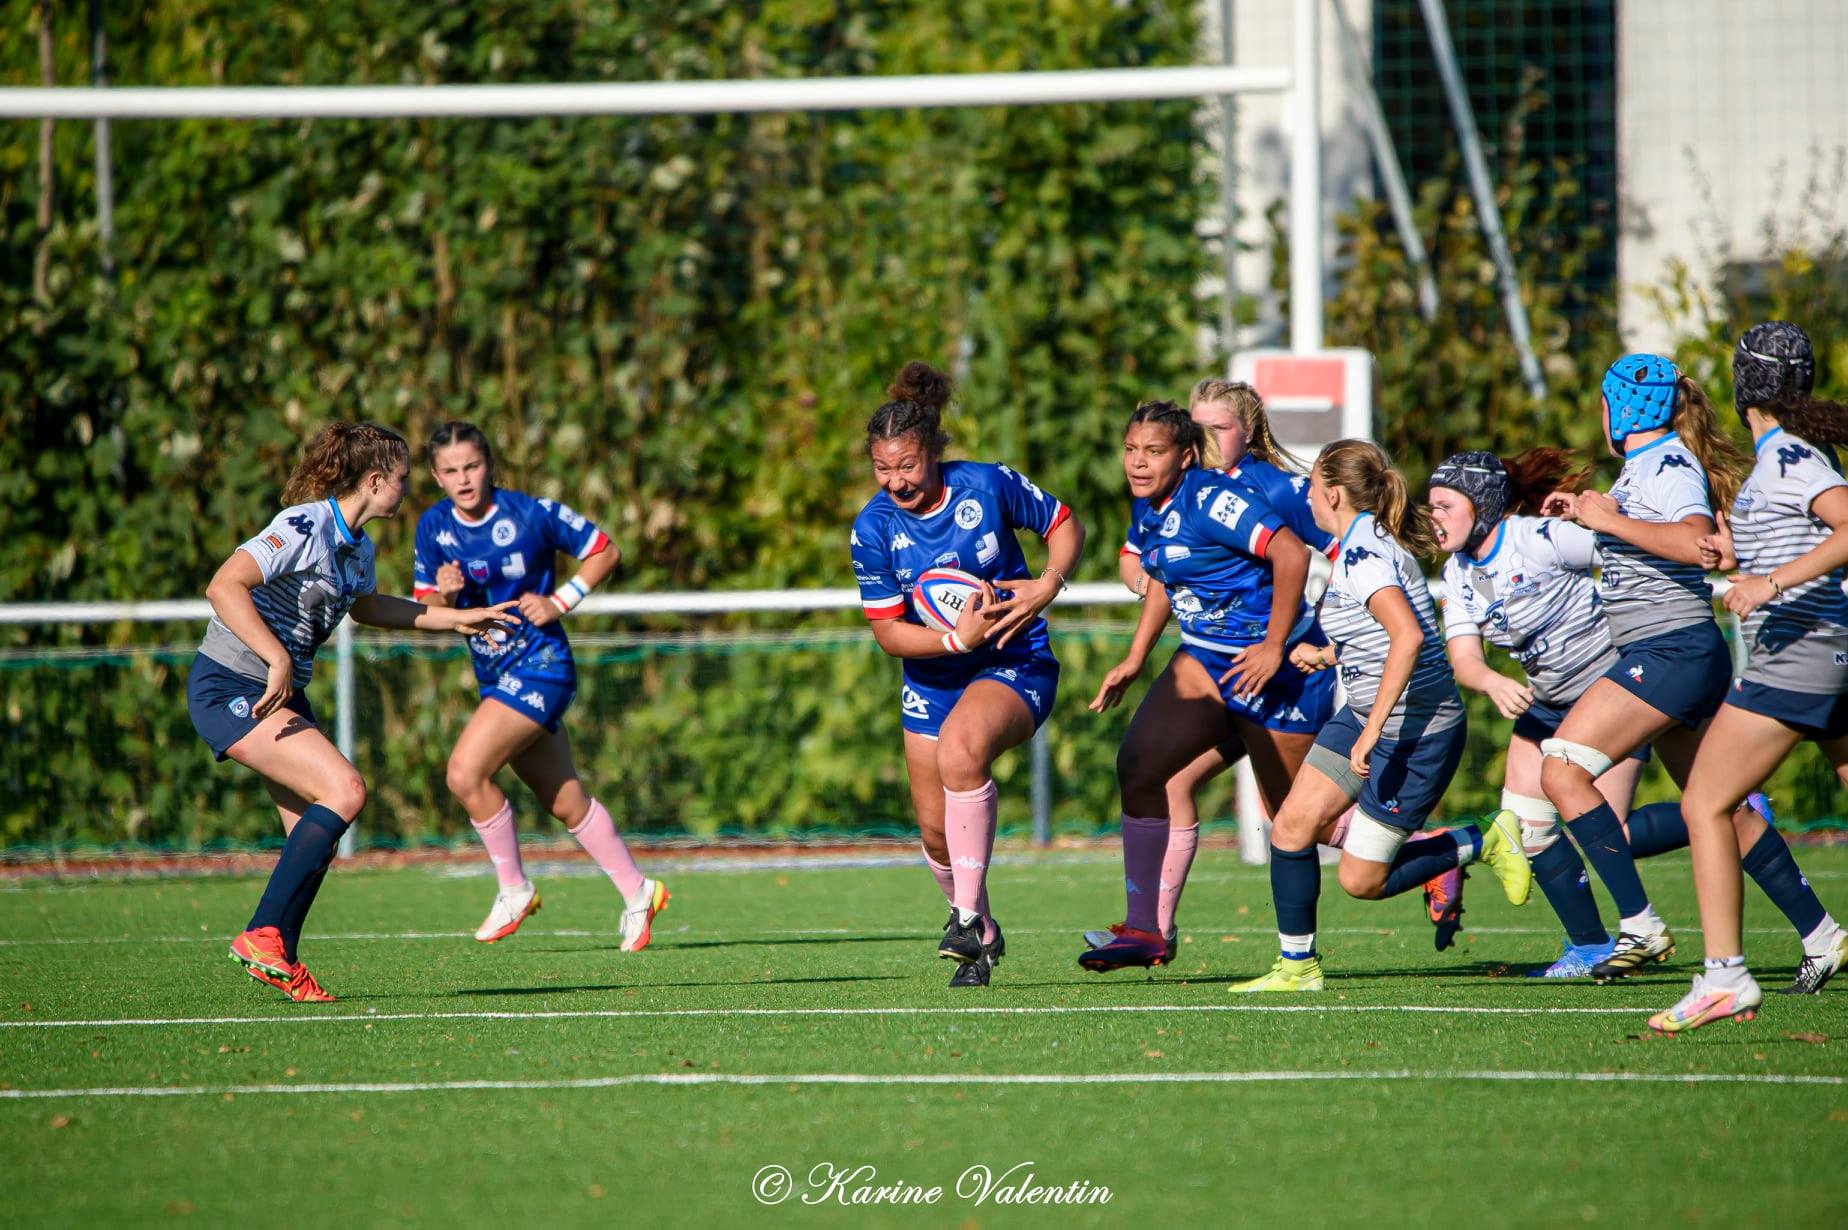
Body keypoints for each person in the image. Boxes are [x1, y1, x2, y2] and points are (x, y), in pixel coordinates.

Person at [193, 422, 519, 1002]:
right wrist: (274, 656)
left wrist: (460, 618)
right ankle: (261, 935)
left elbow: (370, 608)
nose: (407, 490)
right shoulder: (304, 525)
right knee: (345, 789)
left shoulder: (358, 547)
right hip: (231, 684)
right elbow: (224, 586)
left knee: (313, 838)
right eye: (401, 480)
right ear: (374, 480)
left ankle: (279, 954)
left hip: (276, 693)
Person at [1233, 440, 1532, 993]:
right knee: (1292, 827)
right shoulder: (1358, 544)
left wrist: (1370, 732)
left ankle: (1483, 838)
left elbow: (1409, 635)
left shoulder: (1363, 556)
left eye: (1311, 487)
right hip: (1370, 714)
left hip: (1416, 731)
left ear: (1334, 494)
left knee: (1361, 880)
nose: (1305, 496)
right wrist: (1328, 655)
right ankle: (1297, 967)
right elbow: (1380, 635)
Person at [850, 361, 1086, 988]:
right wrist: (956, 637)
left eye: (908, 466)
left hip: (1015, 662)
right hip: (932, 680)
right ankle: (980, 931)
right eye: (883, 469)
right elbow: (888, 633)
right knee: (932, 834)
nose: (896, 481)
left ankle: (960, 919)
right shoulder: (873, 528)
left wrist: (1045, 587)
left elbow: (1065, 525)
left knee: (962, 750)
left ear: (933, 453)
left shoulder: (986, 485)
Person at [1535, 355, 1766, 982]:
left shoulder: (1665, 463)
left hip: (1670, 650)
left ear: (1619, 409)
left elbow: (1696, 544)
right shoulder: (1640, 469)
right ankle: (1822, 933)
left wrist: (1607, 518)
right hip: (1668, 649)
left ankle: (1639, 925)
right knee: (1714, 807)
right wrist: (1586, 514)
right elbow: (1642, 538)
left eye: (1604, 405)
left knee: (1559, 771)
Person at [1079, 399, 1329, 971]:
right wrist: (1136, 657)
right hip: (1207, 662)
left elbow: (1290, 553)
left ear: (1186, 455)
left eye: (1154, 452)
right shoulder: (1151, 506)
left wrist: (1273, 646)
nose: (1138, 463)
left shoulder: (1213, 498)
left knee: (1299, 820)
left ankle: (1432, 853)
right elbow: (1166, 577)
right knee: (1140, 766)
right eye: (1131, 450)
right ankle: (1144, 930)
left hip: (1277, 667)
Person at [1650, 323, 1848, 1033]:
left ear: (1745, 386)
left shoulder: (1791, 454)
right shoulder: (1790, 456)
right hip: (1827, 654)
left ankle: (1725, 977)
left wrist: (1767, 581)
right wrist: (1738, 551)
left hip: (1800, 657)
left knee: (1704, 801)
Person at [413, 421, 668, 951]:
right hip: (494, 675)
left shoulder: (531, 513)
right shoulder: (432, 527)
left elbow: (604, 549)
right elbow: (427, 609)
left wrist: (560, 599)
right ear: (436, 477)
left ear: (490, 465)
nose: (464, 479)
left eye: (473, 466)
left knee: (464, 773)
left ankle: (514, 888)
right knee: (564, 800)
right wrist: (443, 594)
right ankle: (640, 891)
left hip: (541, 666)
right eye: (451, 471)